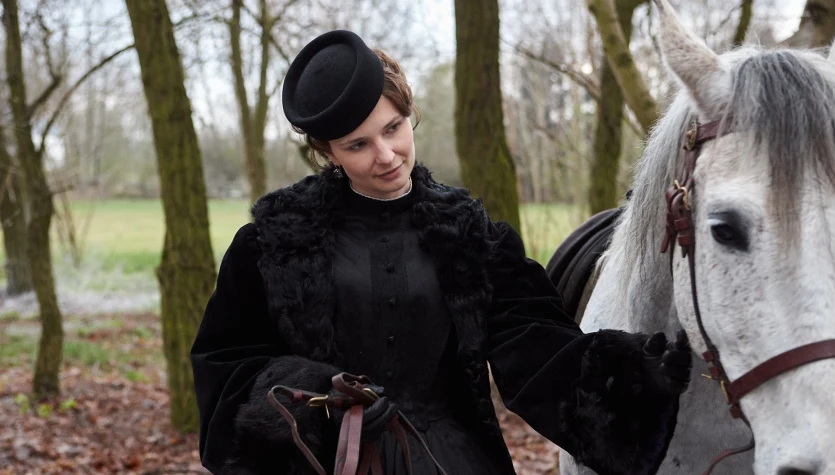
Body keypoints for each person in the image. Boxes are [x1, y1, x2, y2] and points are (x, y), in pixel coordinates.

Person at [190, 29, 691, 475]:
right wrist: (322, 399)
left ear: (409, 112)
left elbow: (534, 343)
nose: (386, 156)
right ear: (328, 153)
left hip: (453, 458)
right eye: (357, 145)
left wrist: (626, 374)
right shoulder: (274, 245)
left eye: (393, 128)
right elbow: (226, 366)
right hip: (331, 460)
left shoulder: (469, 236)